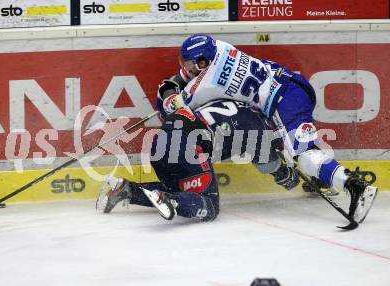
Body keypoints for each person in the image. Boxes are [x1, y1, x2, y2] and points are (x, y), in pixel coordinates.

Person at [153, 34, 378, 223]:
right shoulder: (220, 47)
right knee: (300, 145)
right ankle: (324, 177)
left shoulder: (207, 84)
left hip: (284, 101)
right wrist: (175, 84)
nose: (187, 69)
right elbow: (183, 78)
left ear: (203, 63)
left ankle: (354, 186)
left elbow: (173, 109)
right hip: (290, 83)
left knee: (305, 155)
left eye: (190, 64)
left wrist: (167, 94)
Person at [97, 99, 292, 221]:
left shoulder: (237, 104)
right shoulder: (259, 126)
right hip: (186, 145)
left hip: (160, 142)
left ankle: (128, 189)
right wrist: (285, 173)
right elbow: (268, 164)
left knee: (181, 189)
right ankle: (171, 201)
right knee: (210, 206)